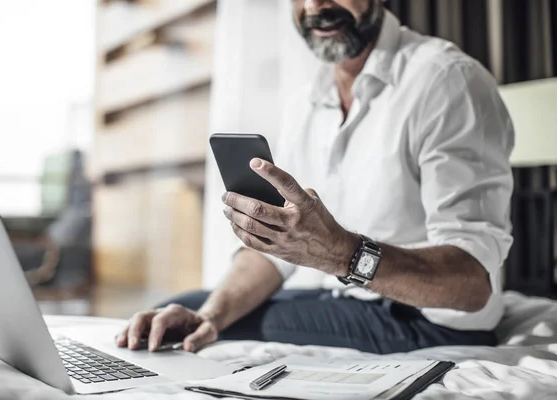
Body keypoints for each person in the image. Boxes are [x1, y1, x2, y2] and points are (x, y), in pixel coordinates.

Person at [116, 0, 514, 354]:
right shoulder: (307, 102)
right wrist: (212, 315)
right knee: (181, 313)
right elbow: (276, 254)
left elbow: (472, 282)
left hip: (428, 322)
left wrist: (342, 252)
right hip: (338, 301)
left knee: (200, 339)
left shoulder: (447, 81)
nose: (315, 6)